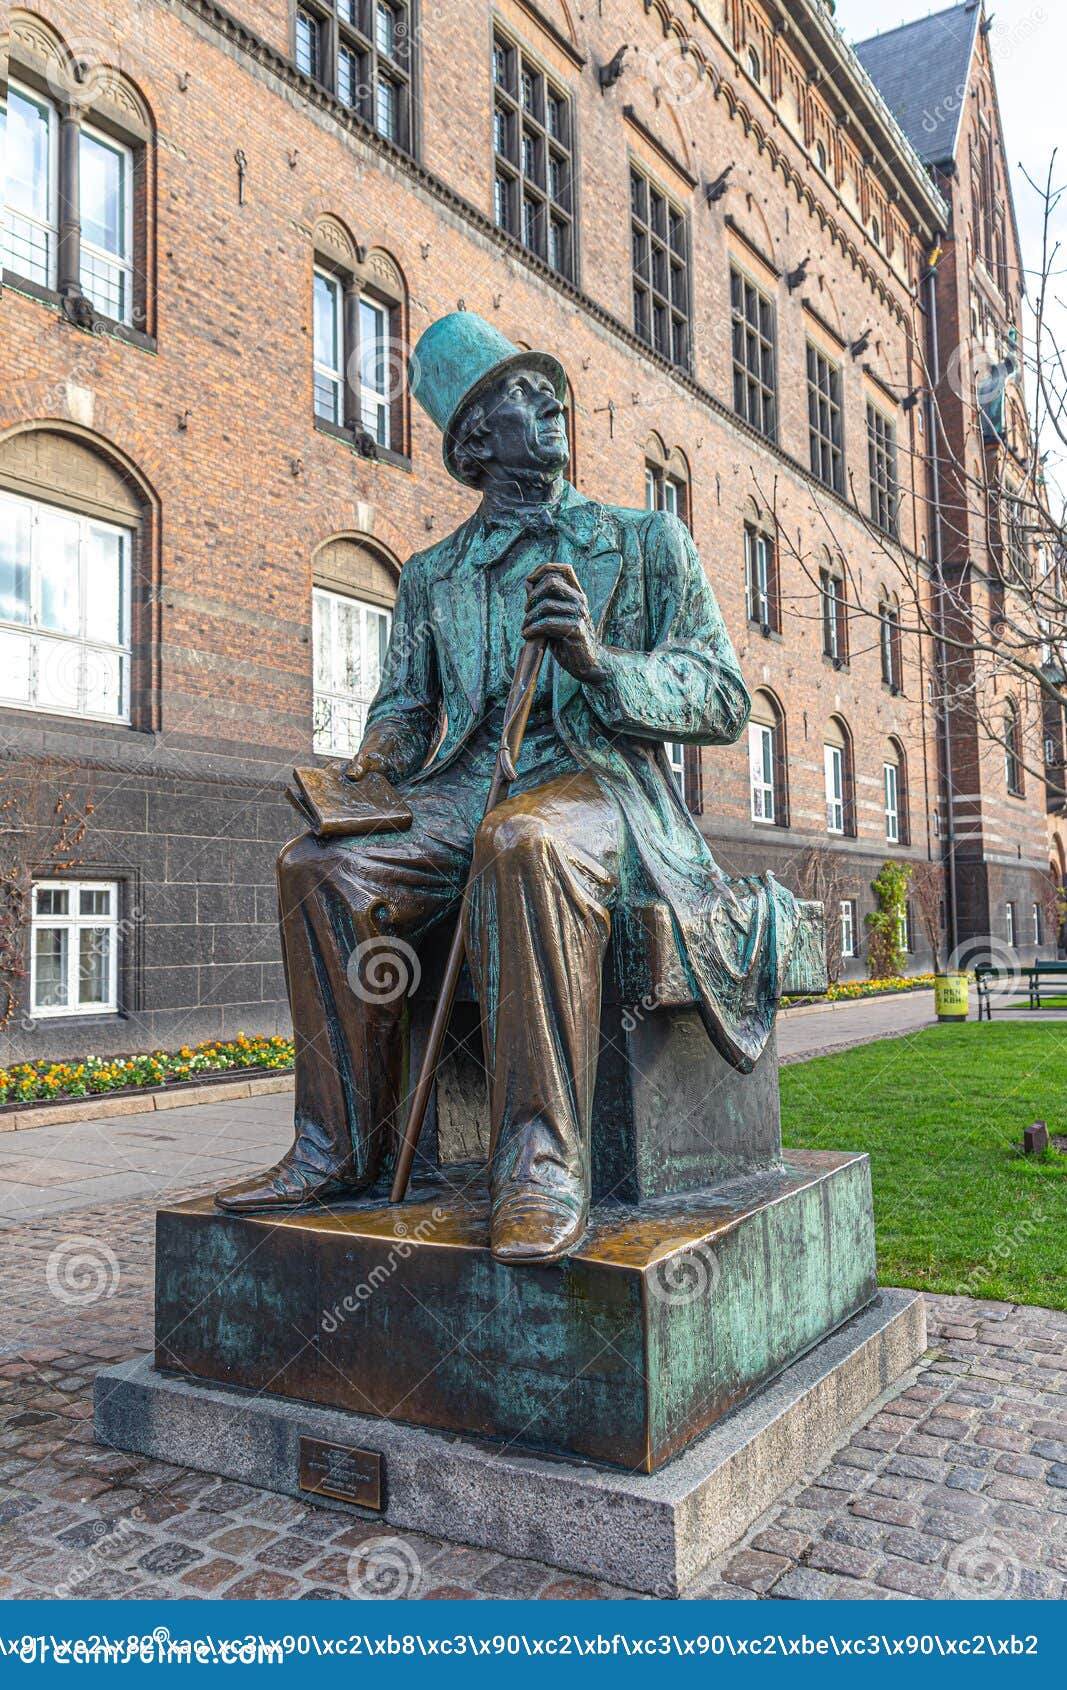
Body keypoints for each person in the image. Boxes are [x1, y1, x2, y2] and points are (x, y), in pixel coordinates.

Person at [217, 312, 799, 1263]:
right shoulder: (433, 577)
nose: (553, 402)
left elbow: (722, 696)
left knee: (524, 842)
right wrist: (372, 764)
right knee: (319, 868)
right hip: (459, 791)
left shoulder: (644, 542)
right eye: (523, 396)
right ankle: (338, 1152)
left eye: (550, 390)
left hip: (597, 787)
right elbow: (406, 709)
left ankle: (537, 1163)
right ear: (476, 440)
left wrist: (600, 661)